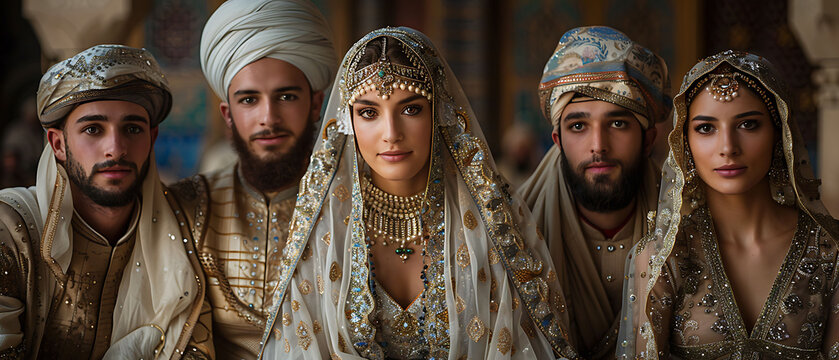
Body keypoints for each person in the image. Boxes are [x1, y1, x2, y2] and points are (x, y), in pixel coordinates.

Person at [257, 26, 577, 360]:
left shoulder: (490, 223)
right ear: (347, 121)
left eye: (411, 109)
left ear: (439, 112)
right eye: (369, 113)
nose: (391, 134)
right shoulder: (325, 229)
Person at [617, 50, 839, 359]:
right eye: (706, 128)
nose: (728, 148)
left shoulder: (829, 251)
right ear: (685, 143)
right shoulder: (664, 257)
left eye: (748, 125)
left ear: (779, 134)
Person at [0, 45, 210, 359]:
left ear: (151, 139)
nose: (115, 148)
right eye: (93, 129)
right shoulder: (11, 228)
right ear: (58, 144)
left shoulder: (181, 232)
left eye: (132, 129)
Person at [167, 0, 337, 358]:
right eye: (249, 100)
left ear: (316, 103)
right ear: (228, 114)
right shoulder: (187, 206)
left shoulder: (354, 201)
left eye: (287, 96)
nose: (268, 117)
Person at [517, 26, 671, 358]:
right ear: (558, 142)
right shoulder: (511, 231)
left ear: (648, 139)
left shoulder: (686, 228)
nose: (598, 146)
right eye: (578, 126)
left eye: (617, 124)